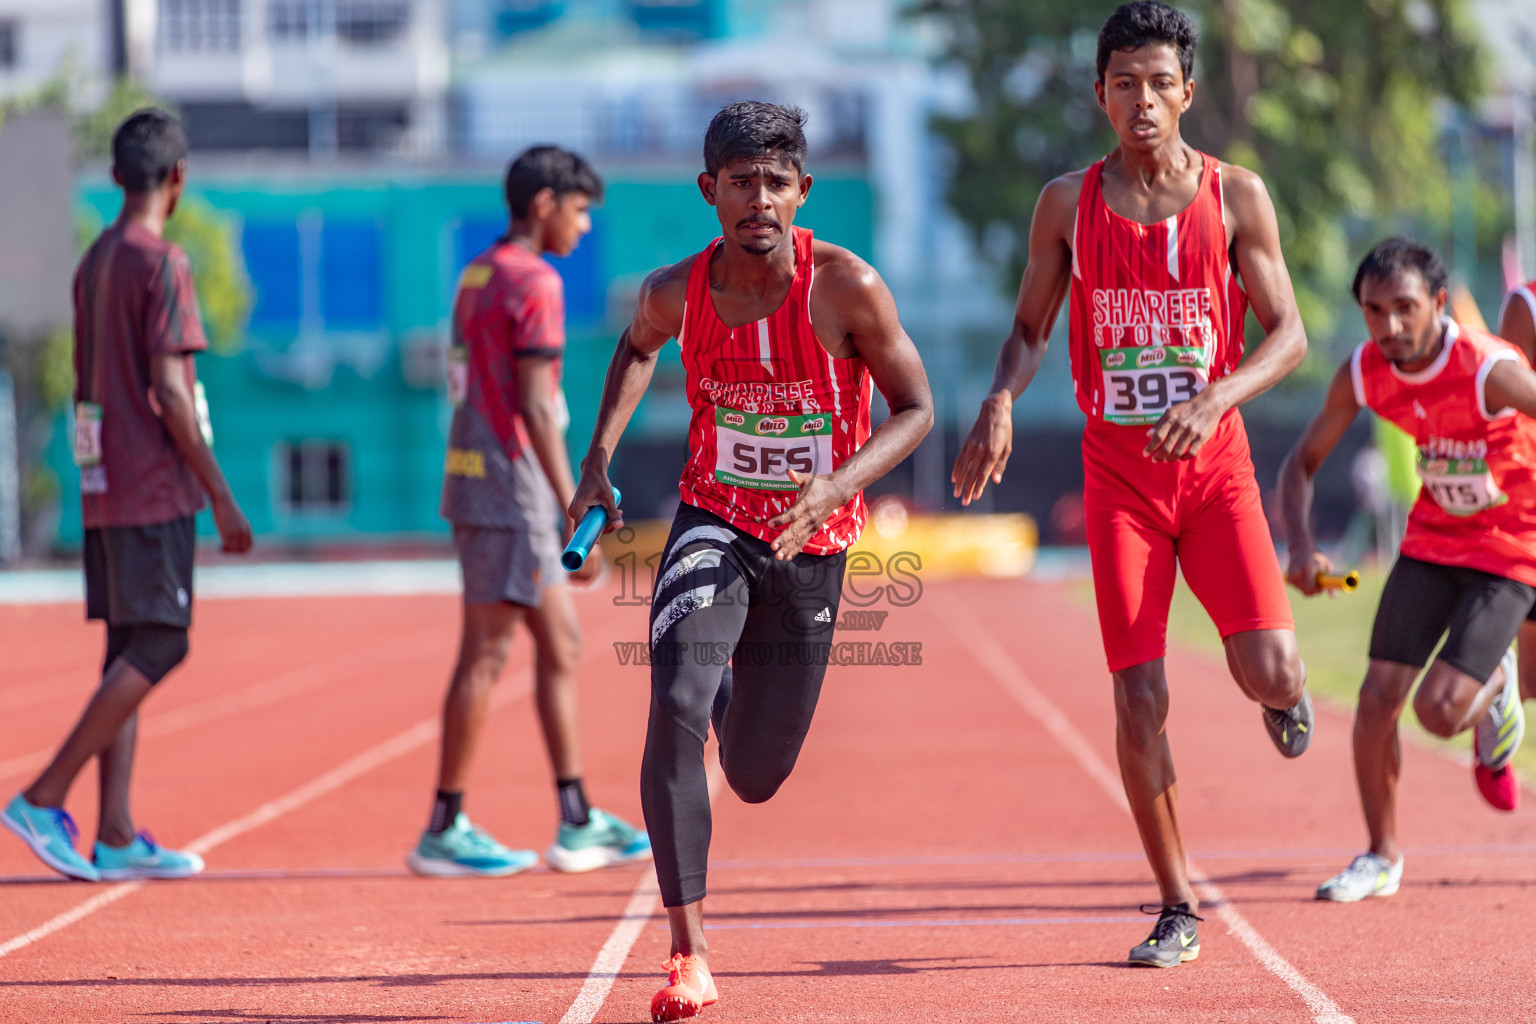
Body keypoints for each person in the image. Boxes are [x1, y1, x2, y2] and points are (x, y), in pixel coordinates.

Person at [950, 1, 1313, 967]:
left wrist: (1219, 395)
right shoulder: (1066, 205)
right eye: (1124, 83)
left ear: (1188, 91)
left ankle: (1282, 695)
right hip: (1118, 479)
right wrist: (998, 400)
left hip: (1219, 472)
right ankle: (1176, 903)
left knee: (1269, 671)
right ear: (1099, 94)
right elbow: (1030, 329)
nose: (1143, 100)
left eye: (1160, 83)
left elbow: (1291, 334)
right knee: (1136, 698)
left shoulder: (1237, 198)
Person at [568, 101, 932, 1021]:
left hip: (817, 540)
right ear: (710, 191)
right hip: (714, 520)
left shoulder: (847, 289)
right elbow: (636, 348)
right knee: (676, 696)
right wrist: (597, 460)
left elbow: (916, 407)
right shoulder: (676, 290)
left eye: (776, 182)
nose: (759, 200)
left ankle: (731, 690)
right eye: (740, 182)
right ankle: (689, 954)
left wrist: (830, 487)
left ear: (802, 192)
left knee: (759, 772)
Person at [1, 109, 253, 881]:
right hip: (152, 488)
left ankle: (114, 832)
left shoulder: (96, 261)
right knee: (162, 643)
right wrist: (220, 495)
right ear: (178, 179)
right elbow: (172, 394)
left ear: (116, 177)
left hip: (104, 484)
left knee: (124, 649)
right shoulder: (162, 263)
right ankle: (43, 795)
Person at [411, 146, 649, 878]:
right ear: (545, 204)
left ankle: (577, 817)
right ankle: (444, 826)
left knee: (562, 643)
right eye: (580, 212)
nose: (583, 228)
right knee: (485, 654)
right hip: (508, 488)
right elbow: (537, 407)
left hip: (481, 478)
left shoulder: (477, 273)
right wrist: (573, 494)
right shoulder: (536, 281)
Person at [1280, 238, 1533, 902]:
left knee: (1439, 712)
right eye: (1374, 311)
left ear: (1439, 305)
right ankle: (1380, 856)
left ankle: (1496, 687)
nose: (1389, 326)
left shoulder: (1489, 369)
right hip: (1432, 541)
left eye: (1405, 308)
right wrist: (1302, 547)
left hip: (1510, 546)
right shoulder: (1364, 371)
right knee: (1375, 700)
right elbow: (1300, 465)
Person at [1496, 280, 1536, 715]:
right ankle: (1499, 693)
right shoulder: (1527, 305)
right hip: (1530, 498)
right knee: (1533, 677)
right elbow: (1510, 408)